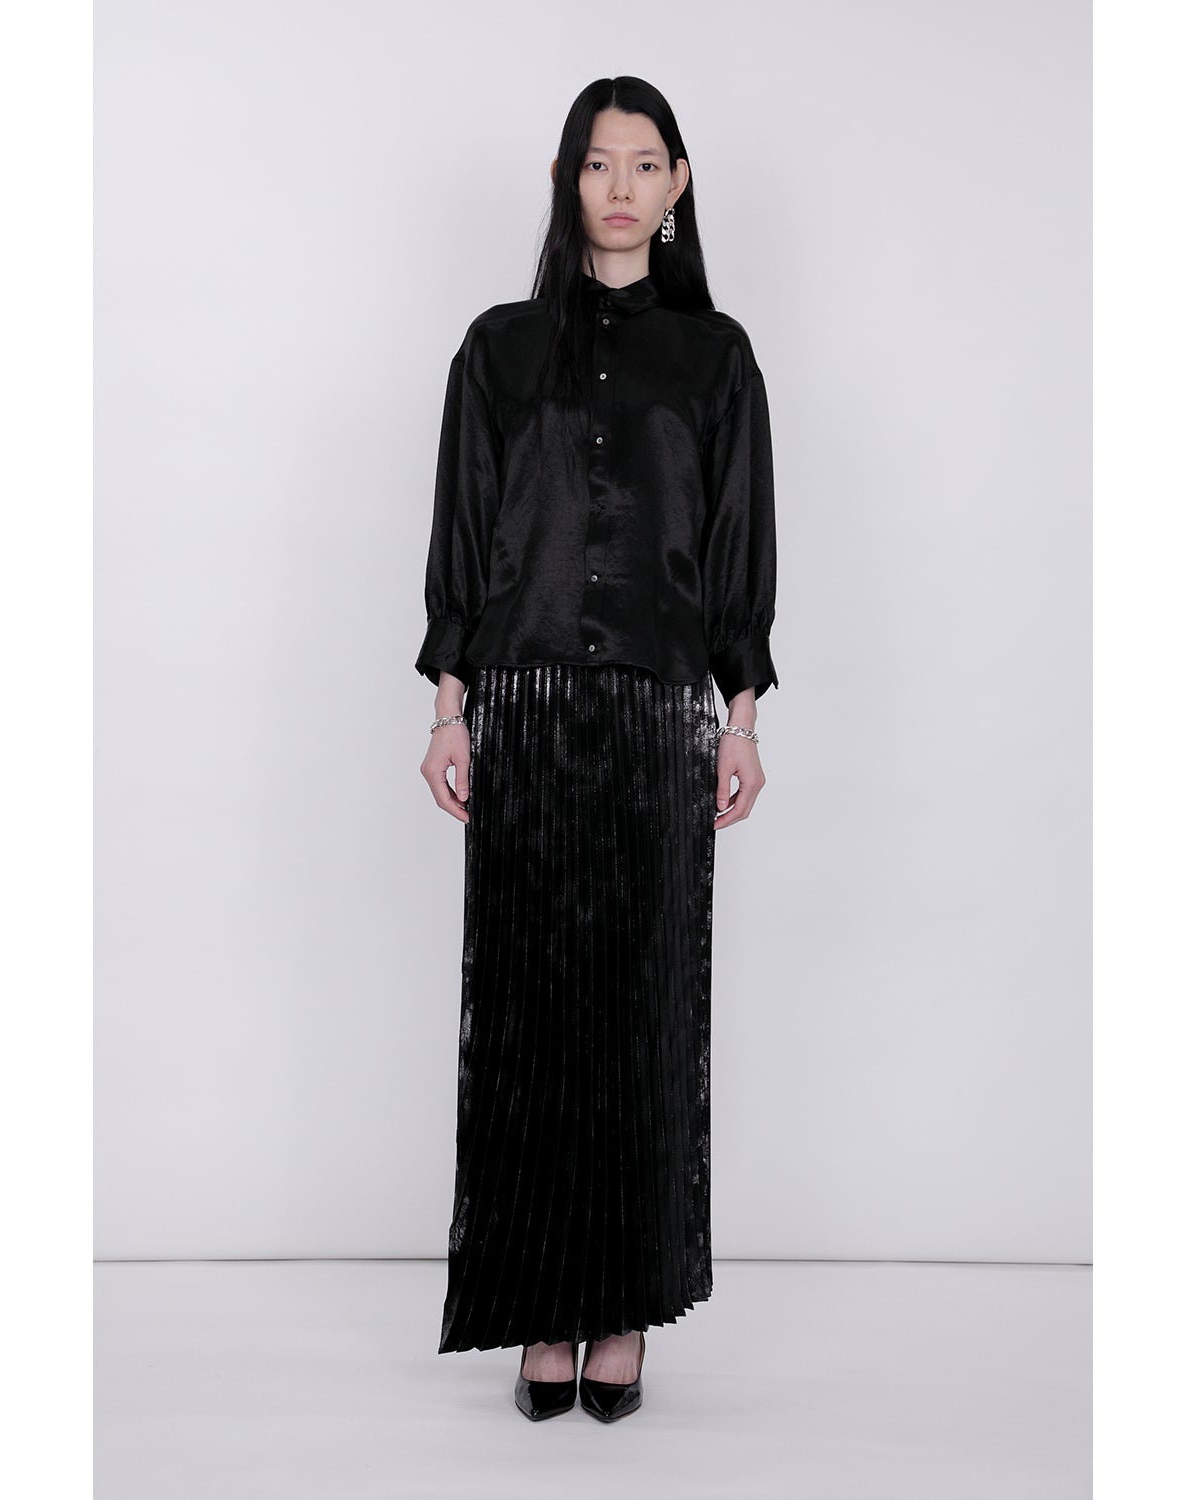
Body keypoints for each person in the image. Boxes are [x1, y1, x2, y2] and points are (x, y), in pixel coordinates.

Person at [415, 76, 779, 1424]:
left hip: (654, 720)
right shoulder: (499, 350)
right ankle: (537, 1301)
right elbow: (462, 530)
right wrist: (450, 707)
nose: (619, 187)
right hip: (522, 713)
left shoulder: (717, 357)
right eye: (595, 162)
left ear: (677, 186)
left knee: (638, 1012)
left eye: (643, 164)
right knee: (529, 1014)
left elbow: (739, 542)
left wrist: (741, 718)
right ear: (567, 180)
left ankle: (620, 1306)